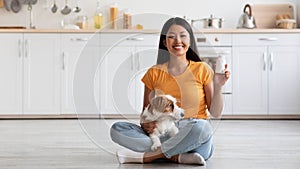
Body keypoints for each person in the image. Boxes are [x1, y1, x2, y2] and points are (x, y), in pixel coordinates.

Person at [110, 17, 230, 165]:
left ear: (190, 40)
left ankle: (150, 156)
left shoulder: (202, 69)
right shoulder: (154, 73)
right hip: (163, 132)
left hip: (193, 132)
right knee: (117, 129)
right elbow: (146, 115)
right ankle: (177, 156)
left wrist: (218, 87)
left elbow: (216, 113)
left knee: (203, 127)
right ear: (164, 42)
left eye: (183, 35)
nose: (177, 41)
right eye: (171, 37)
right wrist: (145, 124)